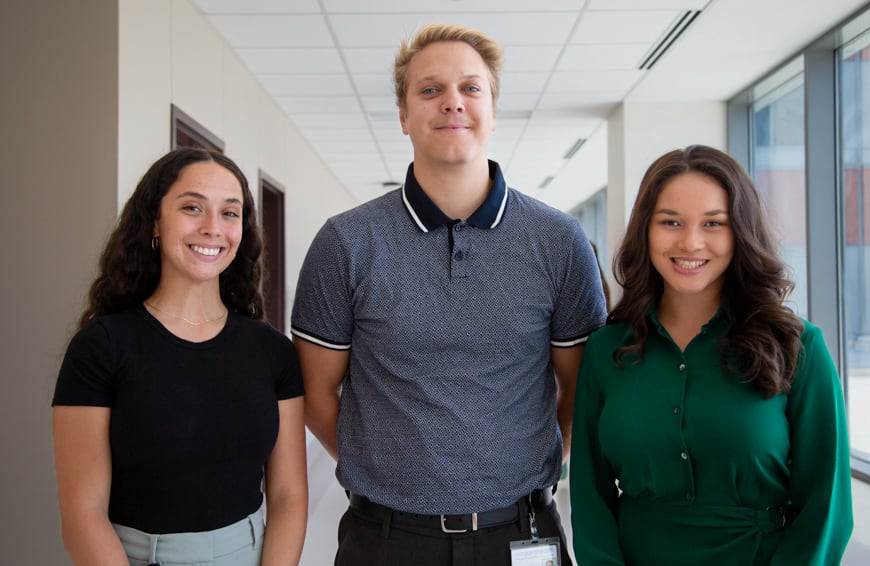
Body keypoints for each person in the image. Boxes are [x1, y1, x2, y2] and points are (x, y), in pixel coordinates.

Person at [291, 23, 606, 566]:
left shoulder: (559, 241)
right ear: (403, 114)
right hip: (385, 538)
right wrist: (385, 471)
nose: (452, 102)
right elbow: (315, 392)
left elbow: (581, 388)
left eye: (470, 88)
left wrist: (521, 467)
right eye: (430, 89)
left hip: (522, 532)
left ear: (493, 109)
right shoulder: (346, 242)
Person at [570, 145, 853, 565]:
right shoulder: (605, 350)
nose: (691, 242)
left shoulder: (798, 346)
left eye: (713, 223)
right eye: (671, 222)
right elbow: (589, 497)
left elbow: (827, 507)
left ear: (741, 232)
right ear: (645, 230)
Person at [52, 148, 308, 565]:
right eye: (192, 207)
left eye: (229, 213)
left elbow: (288, 495)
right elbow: (83, 513)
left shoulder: (272, 351)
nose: (213, 228)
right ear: (155, 220)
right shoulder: (100, 347)